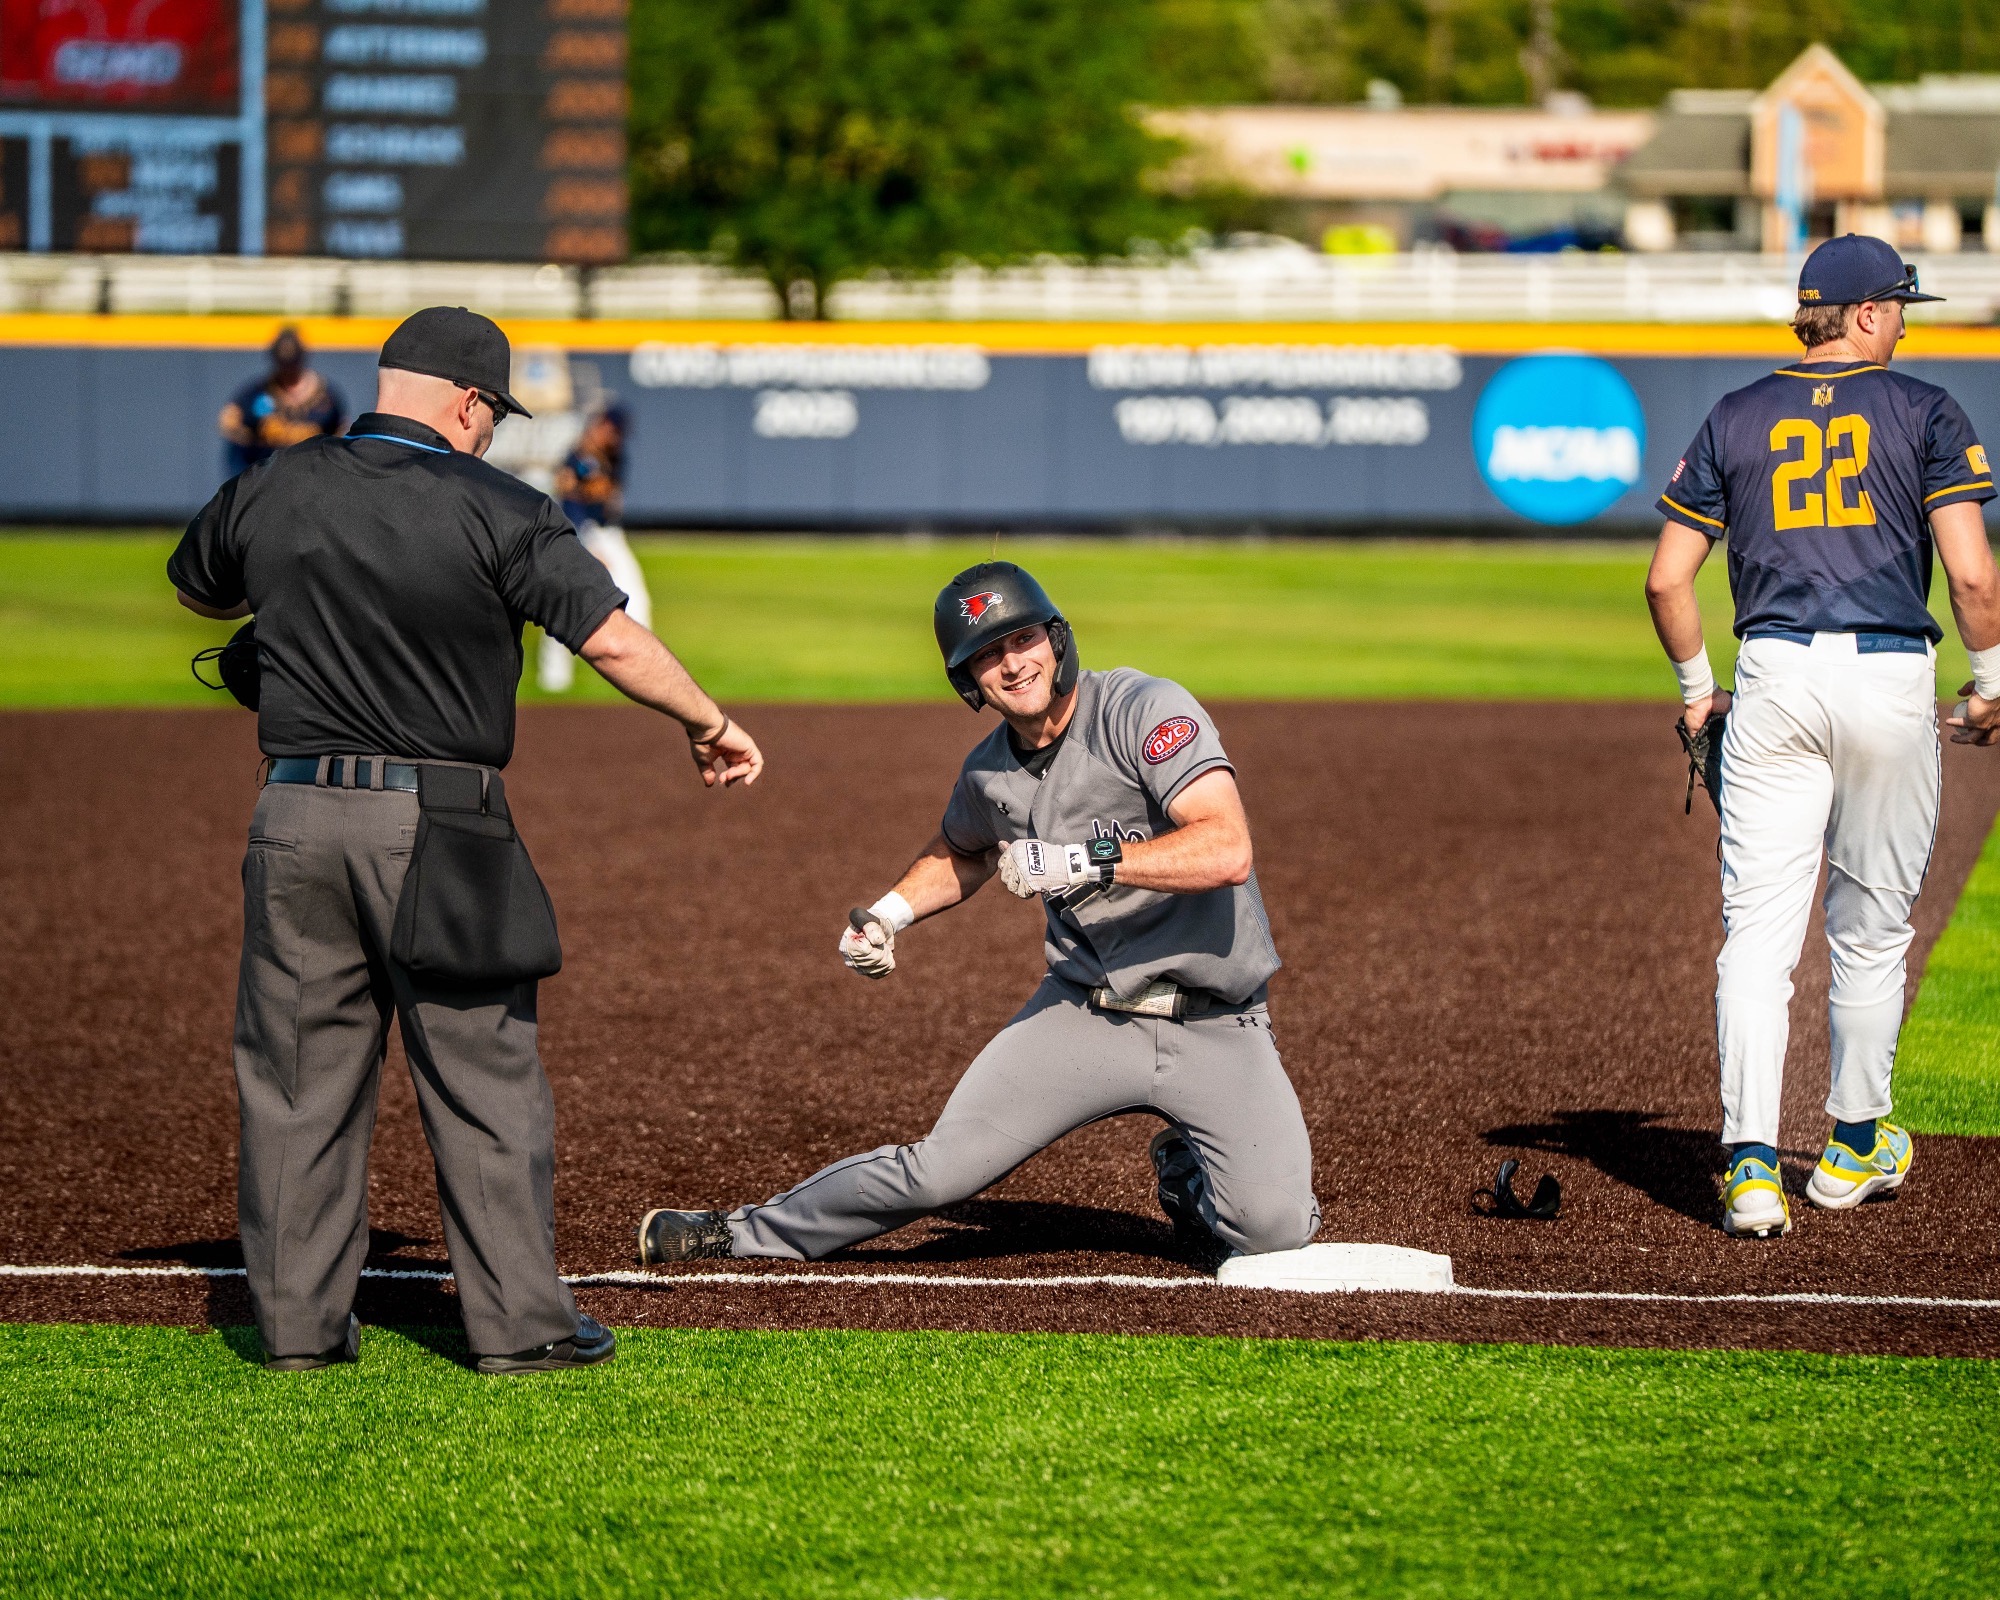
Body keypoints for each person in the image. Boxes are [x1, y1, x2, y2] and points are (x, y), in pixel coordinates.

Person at [168, 306, 765, 1371]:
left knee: (298, 1080)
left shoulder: (277, 483)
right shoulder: (499, 504)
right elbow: (612, 640)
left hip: (294, 814)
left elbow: (196, 587)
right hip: (439, 821)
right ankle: (519, 1326)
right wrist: (708, 723)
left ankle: (298, 1329)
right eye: (491, 412)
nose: (489, 430)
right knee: (481, 1075)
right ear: (468, 401)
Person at [635, 561, 1318, 1267]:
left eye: (1021, 640)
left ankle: (1187, 1172)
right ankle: (736, 1231)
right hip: (1087, 1013)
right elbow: (962, 852)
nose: (1011, 664)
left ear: (1056, 640)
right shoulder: (988, 772)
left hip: (1216, 1020)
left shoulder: (1141, 709)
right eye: (986, 655)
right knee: (939, 1171)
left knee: (1274, 1231)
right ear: (969, 683)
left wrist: (1081, 860)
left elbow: (1226, 847)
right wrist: (889, 914)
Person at [1645, 234, 2000, 1240]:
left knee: (1755, 941)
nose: (1899, 321)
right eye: (1894, 305)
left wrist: (1692, 689)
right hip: (1887, 677)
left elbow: (1667, 578)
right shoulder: (1924, 409)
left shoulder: (1732, 414)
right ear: (1857, 313)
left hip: (1769, 680)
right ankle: (1849, 1149)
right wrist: (1990, 682)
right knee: (1869, 931)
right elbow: (1970, 577)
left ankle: (1750, 1169)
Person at [538, 403, 653, 693]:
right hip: (581, 532)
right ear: (603, 425)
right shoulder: (578, 455)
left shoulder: (614, 455)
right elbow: (567, 498)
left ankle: (646, 672)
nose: (617, 438)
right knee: (566, 600)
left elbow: (608, 496)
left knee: (636, 599)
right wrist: (584, 545)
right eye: (613, 431)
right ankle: (554, 679)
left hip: (609, 534)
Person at [218, 327, 346, 474]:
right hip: (266, 480)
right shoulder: (258, 393)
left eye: (293, 363)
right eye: (283, 363)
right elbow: (227, 421)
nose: (288, 370)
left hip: (311, 479)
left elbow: (342, 431)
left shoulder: (326, 398)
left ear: (302, 358)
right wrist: (255, 439)